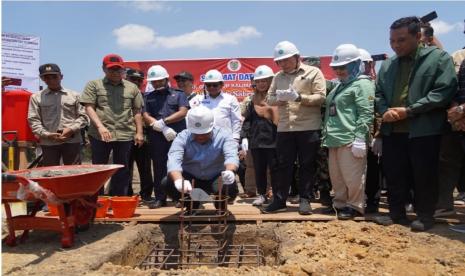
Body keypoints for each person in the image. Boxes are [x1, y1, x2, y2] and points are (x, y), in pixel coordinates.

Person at [375, 17, 457, 231]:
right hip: (393, 130)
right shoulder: (388, 65)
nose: (395, 45)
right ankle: (396, 214)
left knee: (424, 175)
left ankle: (424, 216)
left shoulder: (438, 59)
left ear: (418, 36)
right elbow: (379, 94)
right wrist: (385, 111)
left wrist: (409, 111)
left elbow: (443, 91)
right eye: (392, 40)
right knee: (395, 173)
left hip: (424, 129)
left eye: (401, 40)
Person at [264, 41, 326, 215]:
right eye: (279, 61)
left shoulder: (313, 72)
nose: (283, 64)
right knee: (283, 165)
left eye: (286, 60)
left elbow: (321, 97)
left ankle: (305, 199)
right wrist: (281, 99)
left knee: (307, 165)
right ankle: (279, 199)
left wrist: (299, 97)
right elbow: (269, 99)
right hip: (285, 127)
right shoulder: (278, 77)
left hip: (308, 126)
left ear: (297, 57)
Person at [322, 44, 375, 219]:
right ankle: (340, 204)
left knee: (352, 177)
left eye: (343, 67)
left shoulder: (362, 84)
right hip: (334, 138)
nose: (339, 71)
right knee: (337, 177)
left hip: (350, 138)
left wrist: (360, 137)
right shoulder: (339, 86)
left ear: (355, 65)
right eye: (336, 68)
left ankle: (355, 205)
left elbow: (366, 112)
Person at [80, 54, 144, 196]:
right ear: (104, 69)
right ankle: (98, 202)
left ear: (123, 71)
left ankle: (119, 201)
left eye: (118, 69)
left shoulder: (132, 88)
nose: (115, 72)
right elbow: (89, 107)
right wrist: (100, 127)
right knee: (99, 169)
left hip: (125, 134)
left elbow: (137, 111)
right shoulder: (94, 85)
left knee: (122, 169)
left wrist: (139, 132)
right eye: (111, 69)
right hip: (99, 135)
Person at [162, 106, 239, 208]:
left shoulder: (224, 135)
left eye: (204, 133)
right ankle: (191, 203)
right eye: (196, 133)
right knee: (167, 183)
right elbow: (174, 161)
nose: (200, 136)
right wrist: (178, 180)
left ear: (211, 127)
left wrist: (230, 171)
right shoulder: (182, 137)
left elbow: (231, 155)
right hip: (190, 178)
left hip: (216, 177)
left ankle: (220, 202)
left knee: (230, 186)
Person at [190, 69, 242, 201]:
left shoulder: (230, 99)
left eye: (215, 85)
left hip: (225, 141)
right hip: (203, 140)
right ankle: (200, 195)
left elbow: (236, 121)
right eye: (209, 85)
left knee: (227, 168)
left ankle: (229, 193)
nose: (212, 88)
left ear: (222, 85)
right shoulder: (197, 99)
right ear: (205, 86)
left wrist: (235, 139)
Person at [143, 65, 188, 208]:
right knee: (159, 167)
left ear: (166, 79)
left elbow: (182, 112)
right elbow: (145, 115)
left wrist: (164, 122)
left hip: (177, 136)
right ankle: (160, 198)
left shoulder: (179, 94)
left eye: (159, 81)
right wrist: (162, 127)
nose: (156, 83)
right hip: (157, 137)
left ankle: (181, 197)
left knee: (180, 166)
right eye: (154, 82)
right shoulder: (148, 97)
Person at [28, 63, 89, 166]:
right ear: (42, 78)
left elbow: (84, 117)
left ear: (61, 76)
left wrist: (71, 129)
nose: (51, 80)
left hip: (72, 141)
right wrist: (47, 135)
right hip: (48, 142)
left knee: (74, 173)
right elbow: (33, 120)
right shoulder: (36, 97)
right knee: (51, 173)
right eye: (47, 77)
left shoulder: (75, 95)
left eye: (54, 76)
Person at [240, 65, 278, 206]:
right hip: (256, 141)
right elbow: (248, 120)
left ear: (270, 81)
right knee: (259, 169)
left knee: (275, 169)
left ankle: (276, 194)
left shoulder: (276, 98)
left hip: (273, 140)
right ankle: (262, 194)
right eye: (259, 81)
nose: (261, 84)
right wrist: (244, 136)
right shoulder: (252, 100)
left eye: (265, 81)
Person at [125, 69, 154, 201]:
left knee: (145, 168)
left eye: (139, 80)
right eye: (133, 79)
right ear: (126, 78)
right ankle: (127, 195)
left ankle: (146, 195)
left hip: (144, 136)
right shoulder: (120, 96)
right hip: (124, 136)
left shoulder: (147, 97)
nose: (136, 82)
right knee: (126, 168)